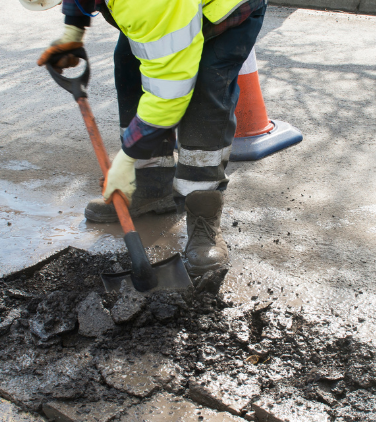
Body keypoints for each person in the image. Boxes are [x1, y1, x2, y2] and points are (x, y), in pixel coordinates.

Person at [36, 0, 266, 276]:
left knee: (204, 94)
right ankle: (150, 187)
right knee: (130, 67)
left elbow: (169, 92)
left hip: (224, 13)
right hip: (167, 14)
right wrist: (73, 29)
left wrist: (126, 158)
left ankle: (202, 210)